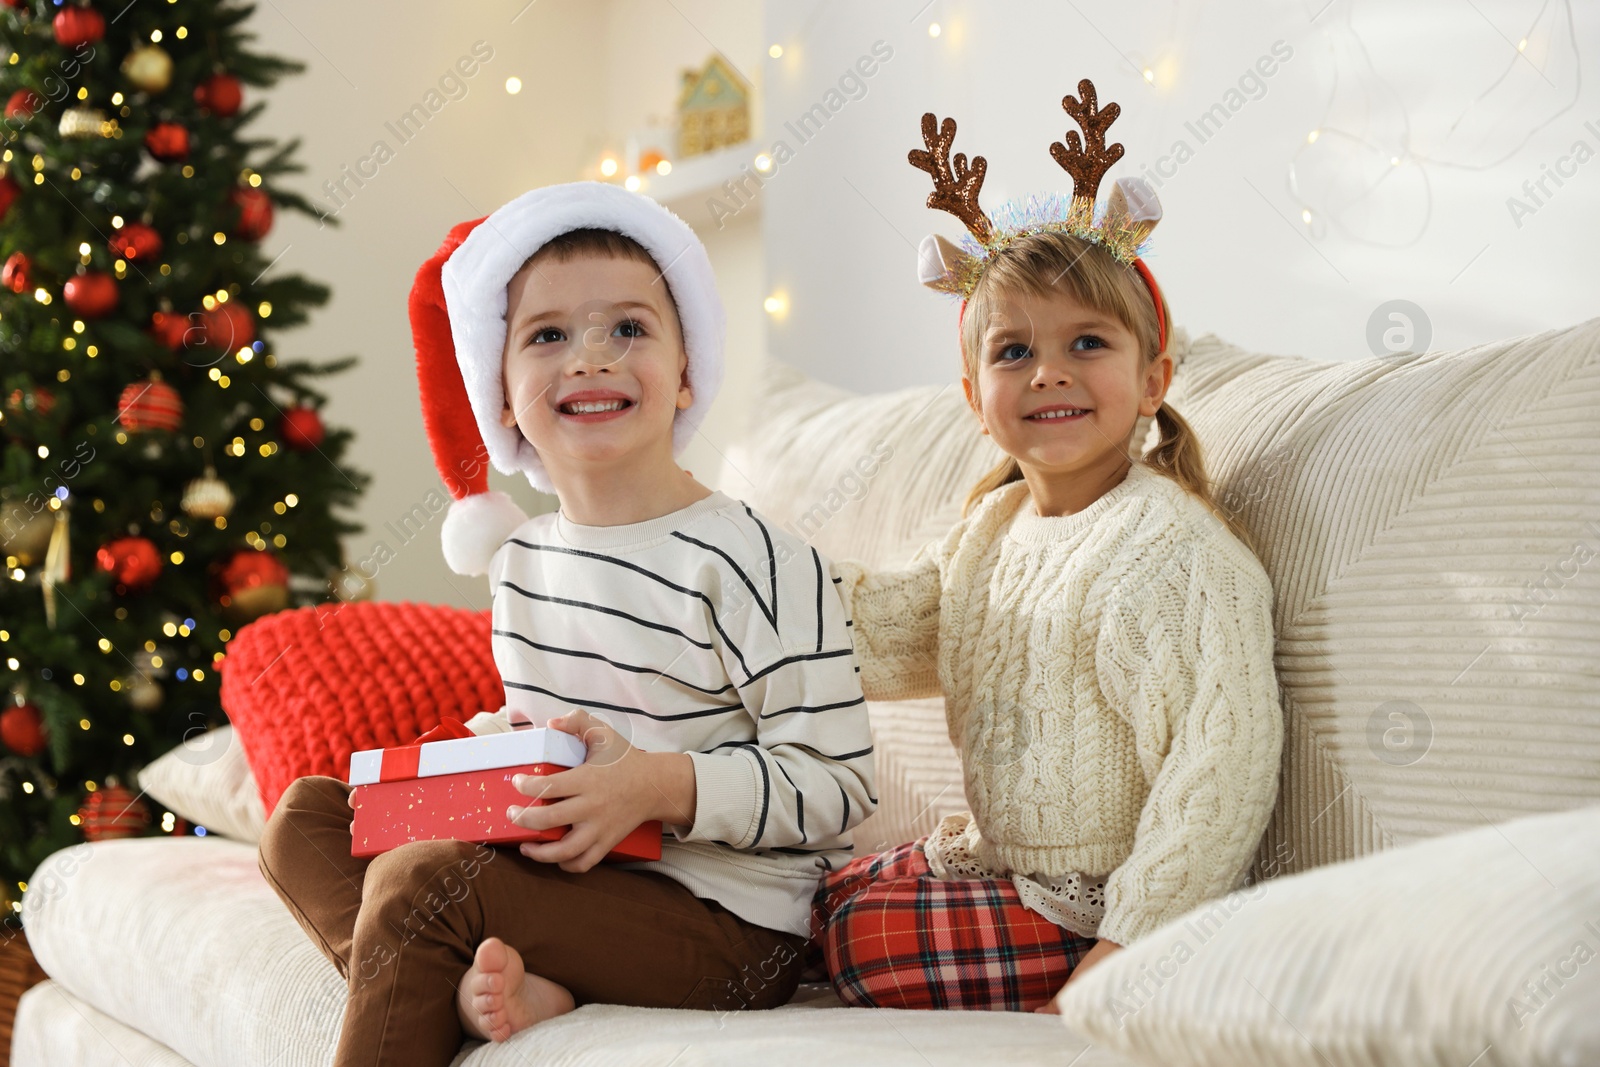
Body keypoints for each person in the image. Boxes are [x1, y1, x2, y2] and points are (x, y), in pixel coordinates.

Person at [256, 182, 877, 1067]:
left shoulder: (752, 558)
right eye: (547, 335)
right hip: (574, 877)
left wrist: (656, 786)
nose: (590, 358)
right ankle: (489, 975)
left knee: (417, 882)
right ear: (501, 395)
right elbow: (548, 728)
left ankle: (454, 962)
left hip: (731, 924)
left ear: (688, 367)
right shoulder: (524, 562)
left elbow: (838, 781)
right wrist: (482, 757)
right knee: (305, 821)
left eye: (628, 327)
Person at [808, 82, 1284, 1013]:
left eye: (1087, 343)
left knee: (864, 941)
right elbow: (892, 630)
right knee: (811, 895)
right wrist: (744, 576)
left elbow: (1219, 761)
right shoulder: (990, 527)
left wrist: (1129, 946)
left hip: (1093, 902)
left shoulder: (1171, 548)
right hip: (1004, 866)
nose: (1049, 370)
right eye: (1013, 351)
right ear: (974, 398)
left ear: (1152, 380)